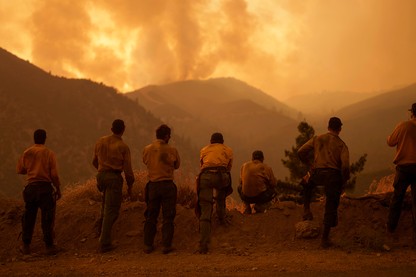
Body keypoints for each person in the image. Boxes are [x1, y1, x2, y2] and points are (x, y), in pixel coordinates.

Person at [298, 117, 350, 248]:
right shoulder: (342, 145)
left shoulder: (318, 139)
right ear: (340, 129)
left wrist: (310, 163)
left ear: (328, 127)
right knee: (331, 205)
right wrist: (343, 180)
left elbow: (301, 152)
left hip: (318, 172)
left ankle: (306, 211)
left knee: (306, 184)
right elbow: (345, 167)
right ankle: (325, 239)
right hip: (333, 175)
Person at [17, 129, 62, 255]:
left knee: (29, 218)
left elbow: (20, 170)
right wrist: (58, 188)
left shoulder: (27, 152)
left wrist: (32, 168)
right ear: (45, 138)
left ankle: (26, 246)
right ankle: (49, 246)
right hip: (45, 188)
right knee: (47, 218)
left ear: (34, 138)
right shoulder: (49, 153)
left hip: (31, 188)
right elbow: (54, 175)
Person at [92, 119, 135, 253]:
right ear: (123, 129)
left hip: (101, 176)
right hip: (114, 178)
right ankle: (104, 243)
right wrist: (130, 185)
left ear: (111, 129)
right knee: (112, 211)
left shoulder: (100, 141)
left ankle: (100, 232)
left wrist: (101, 171)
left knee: (105, 205)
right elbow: (128, 170)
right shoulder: (123, 147)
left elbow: (94, 161)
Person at [142, 124, 180, 254]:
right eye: (169, 136)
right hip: (167, 185)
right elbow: (177, 165)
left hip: (152, 185)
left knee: (151, 215)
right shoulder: (172, 150)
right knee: (168, 216)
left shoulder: (147, 149)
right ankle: (166, 245)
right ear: (166, 136)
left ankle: (148, 244)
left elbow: (145, 161)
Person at [196, 132, 233, 254]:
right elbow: (228, 168)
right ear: (222, 141)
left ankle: (203, 243)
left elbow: (202, 165)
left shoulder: (204, 149)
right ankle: (221, 215)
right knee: (221, 195)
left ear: (211, 141)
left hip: (205, 176)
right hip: (221, 175)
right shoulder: (227, 149)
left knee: (206, 209)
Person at [386, 103, 416, 240]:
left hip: (404, 168)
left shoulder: (403, 126)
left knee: (397, 198)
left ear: (412, 113)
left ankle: (391, 228)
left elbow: (391, 142)